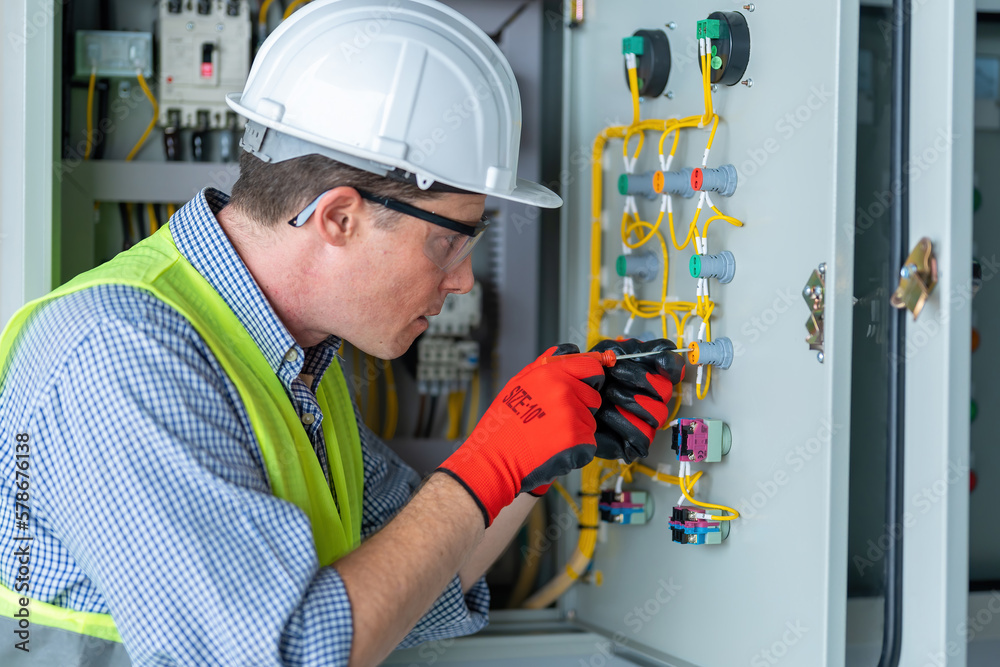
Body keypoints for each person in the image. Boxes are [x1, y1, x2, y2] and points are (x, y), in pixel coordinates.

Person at [0, 1, 683, 665]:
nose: (463, 282)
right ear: (339, 219)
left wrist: (536, 458)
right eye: (448, 244)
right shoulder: (121, 355)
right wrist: (493, 463)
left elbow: (415, 579)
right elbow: (290, 653)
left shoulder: (297, 364)